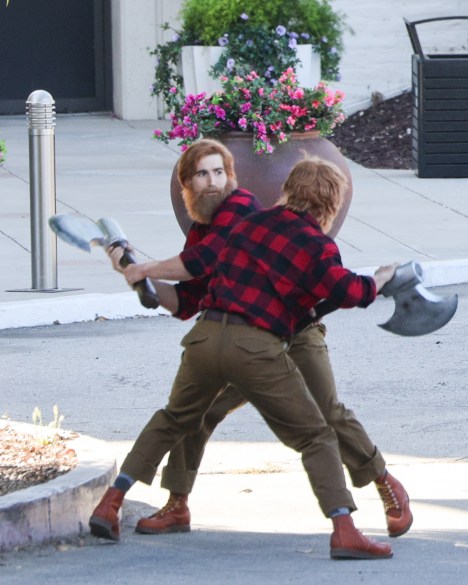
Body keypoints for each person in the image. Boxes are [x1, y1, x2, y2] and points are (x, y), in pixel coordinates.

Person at [90, 156, 398, 560]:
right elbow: (345, 291)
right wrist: (379, 279)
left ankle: (110, 503)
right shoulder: (316, 244)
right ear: (329, 204)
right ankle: (344, 530)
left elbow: (197, 289)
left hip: (204, 338)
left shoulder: (246, 226)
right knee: (315, 435)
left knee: (174, 419)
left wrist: (144, 275)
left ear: (288, 188)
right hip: (255, 346)